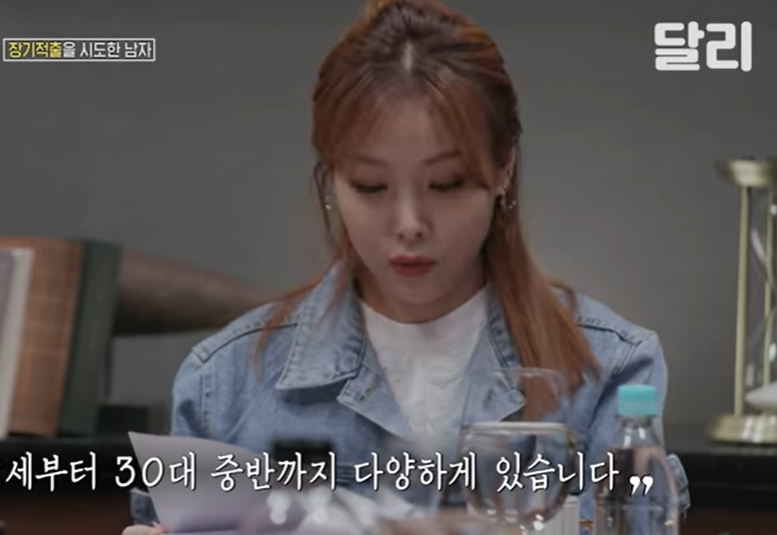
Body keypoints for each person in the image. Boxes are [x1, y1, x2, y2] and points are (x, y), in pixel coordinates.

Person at [124, 0, 690, 533]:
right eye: (371, 186)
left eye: (446, 184)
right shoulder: (223, 382)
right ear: (332, 179)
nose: (410, 223)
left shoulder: (610, 369)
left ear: (503, 170)